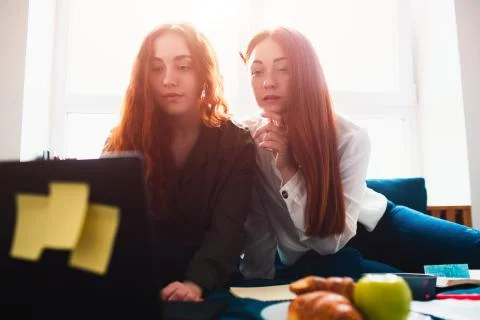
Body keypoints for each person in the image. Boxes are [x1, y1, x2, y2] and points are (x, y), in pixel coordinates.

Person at [239, 26, 480, 281]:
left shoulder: (348, 136)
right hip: (322, 253)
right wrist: (255, 285)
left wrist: (289, 166)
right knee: (420, 282)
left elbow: (339, 231)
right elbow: (261, 224)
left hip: (377, 226)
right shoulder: (247, 138)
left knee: (470, 258)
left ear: (305, 73)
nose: (268, 82)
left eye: (283, 68)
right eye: (257, 71)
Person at [103, 23, 255, 301]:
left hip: (208, 283)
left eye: (182, 67)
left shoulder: (237, 144)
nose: (168, 80)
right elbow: (109, 224)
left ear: (203, 72)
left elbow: (228, 229)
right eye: (157, 68)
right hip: (136, 282)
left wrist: (195, 284)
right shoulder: (122, 139)